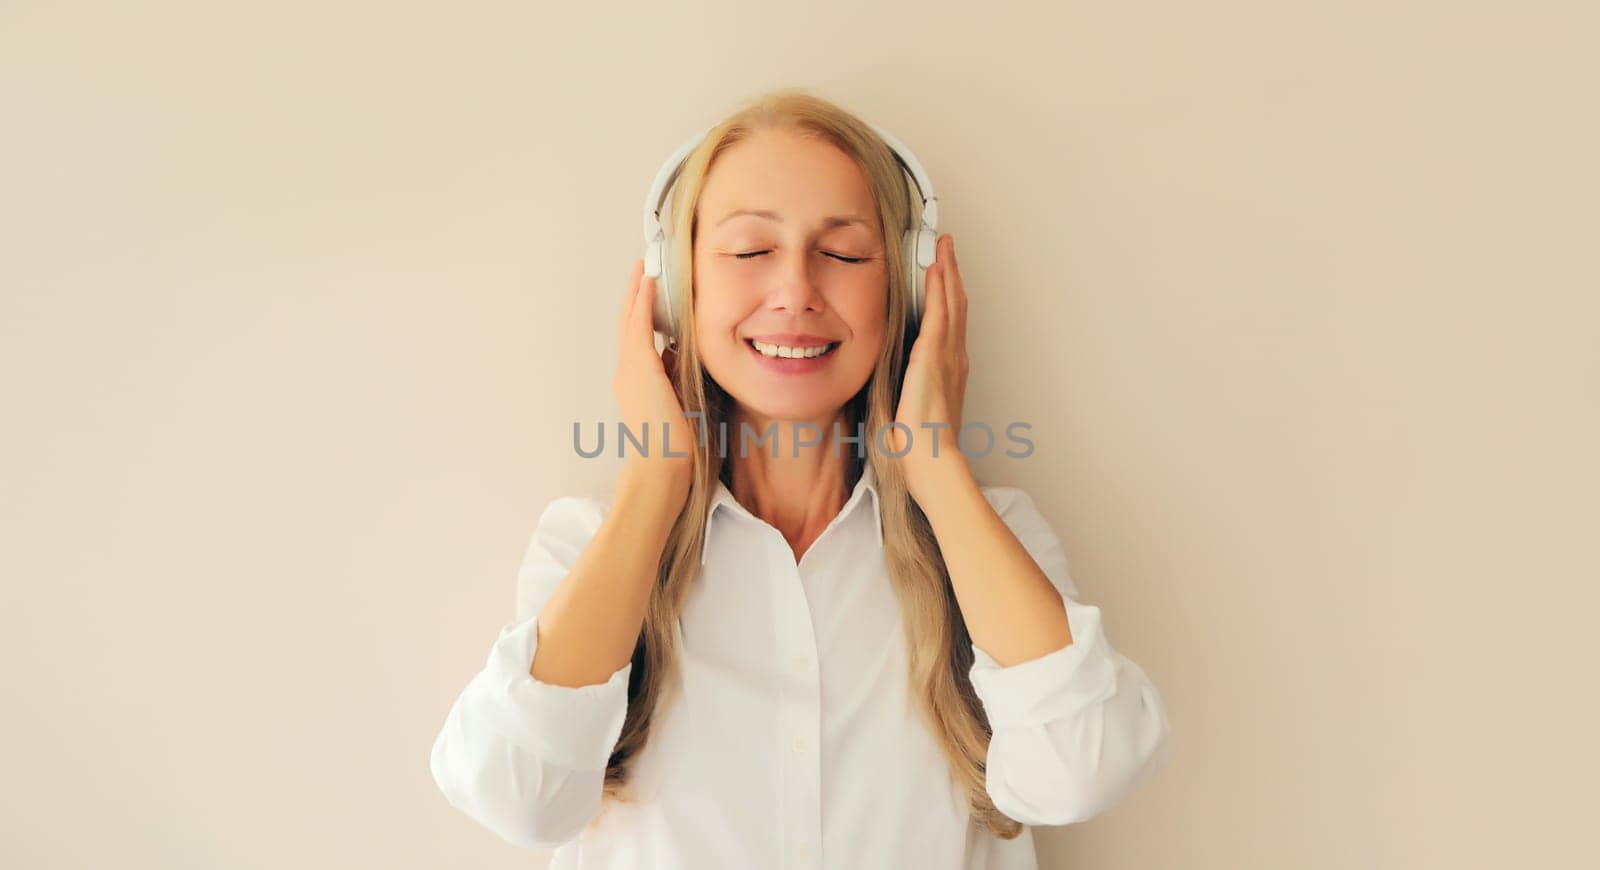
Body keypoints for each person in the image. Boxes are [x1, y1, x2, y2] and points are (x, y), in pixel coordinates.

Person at [429, 88, 1173, 869]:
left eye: (845, 254)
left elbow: (1083, 774)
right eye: (750, 252)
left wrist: (936, 466)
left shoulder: (989, 539)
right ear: (678, 287)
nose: (794, 291)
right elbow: (516, 798)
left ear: (908, 291)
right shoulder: (585, 544)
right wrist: (656, 477)